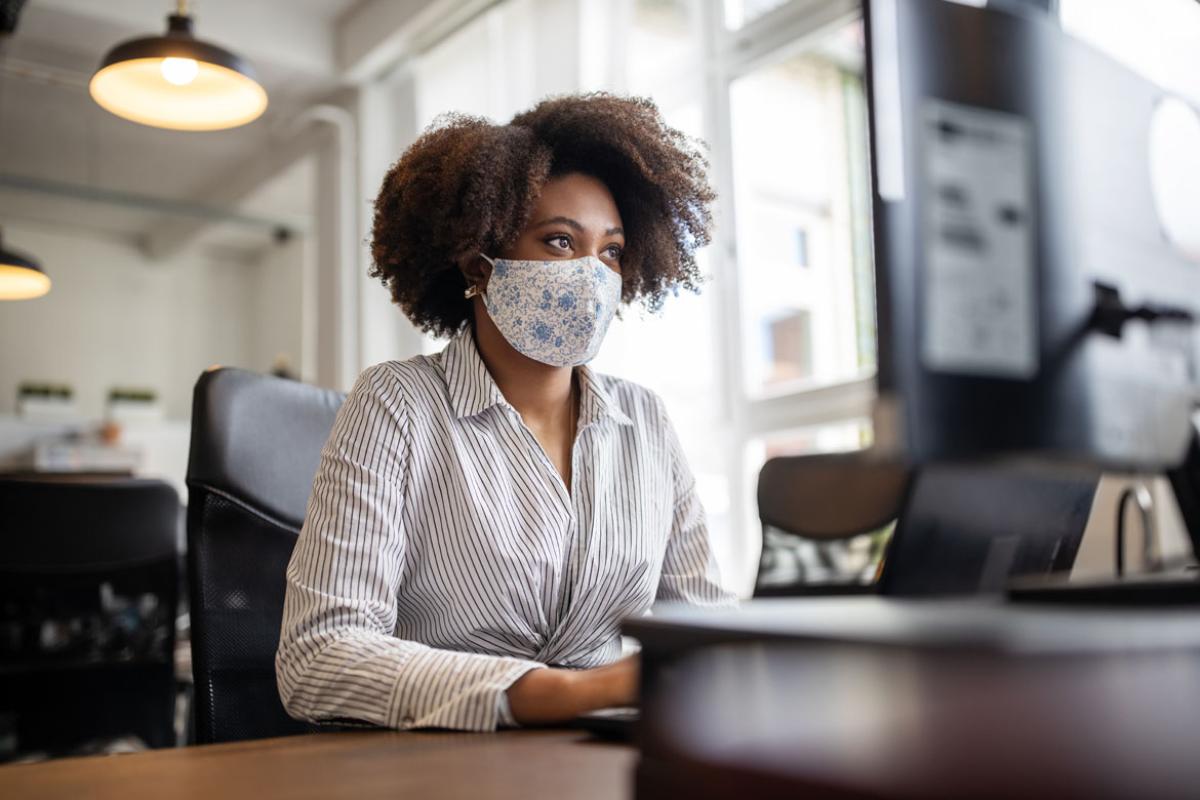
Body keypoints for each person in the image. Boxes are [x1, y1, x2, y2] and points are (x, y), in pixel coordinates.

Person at [276, 93, 735, 733]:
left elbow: (707, 627)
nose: (591, 275)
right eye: (558, 241)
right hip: (440, 767)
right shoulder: (397, 405)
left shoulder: (645, 421)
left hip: (605, 762)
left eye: (609, 252)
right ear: (477, 264)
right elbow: (318, 657)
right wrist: (572, 693)